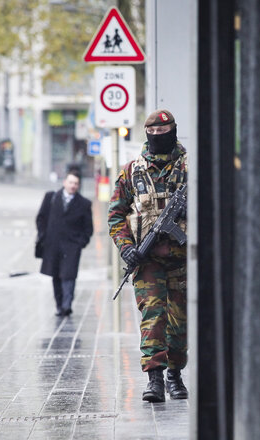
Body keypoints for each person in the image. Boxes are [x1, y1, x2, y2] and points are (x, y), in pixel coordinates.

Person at [108, 109, 188, 403]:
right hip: (148, 260)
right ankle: (154, 379)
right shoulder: (131, 172)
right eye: (152, 134)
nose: (158, 138)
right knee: (153, 318)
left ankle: (175, 376)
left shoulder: (192, 168)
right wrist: (127, 247)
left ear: (174, 132)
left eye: (163, 133)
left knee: (180, 323)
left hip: (183, 260)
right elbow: (116, 215)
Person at [36, 169, 93, 317]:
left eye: (76, 183)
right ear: (64, 182)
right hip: (53, 244)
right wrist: (44, 236)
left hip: (72, 246)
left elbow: (88, 228)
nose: (73, 185)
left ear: (78, 185)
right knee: (56, 275)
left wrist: (81, 242)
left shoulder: (84, 204)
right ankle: (59, 305)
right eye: (70, 182)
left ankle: (67, 305)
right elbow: (41, 218)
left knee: (69, 275)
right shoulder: (51, 198)